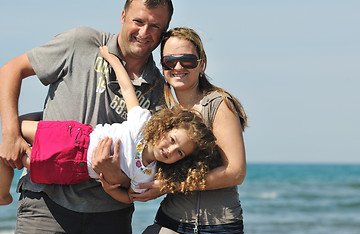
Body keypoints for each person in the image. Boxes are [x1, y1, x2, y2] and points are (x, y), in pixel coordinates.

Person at [0, 0, 173, 234]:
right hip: (46, 204)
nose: (144, 32)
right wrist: (10, 134)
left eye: (155, 26)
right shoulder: (81, 42)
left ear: (164, 31)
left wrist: (115, 175)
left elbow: (142, 173)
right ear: (123, 16)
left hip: (111, 216)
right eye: (138, 21)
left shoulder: (159, 90)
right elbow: (10, 70)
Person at [0, 46, 218, 204]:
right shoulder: (143, 123)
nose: (170, 149)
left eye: (179, 152)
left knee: (23, 159)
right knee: (15, 133)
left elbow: (129, 198)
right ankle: (2, 191)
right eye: (172, 140)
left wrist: (109, 188)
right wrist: (112, 59)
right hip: (77, 138)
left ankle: (2, 195)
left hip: (77, 170)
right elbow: (127, 88)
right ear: (166, 128)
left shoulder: (148, 175)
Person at [134, 27, 247, 234]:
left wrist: (170, 186)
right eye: (169, 61)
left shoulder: (218, 104)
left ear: (201, 64)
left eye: (187, 60)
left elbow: (236, 172)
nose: (178, 67)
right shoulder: (163, 110)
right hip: (169, 223)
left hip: (217, 228)